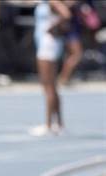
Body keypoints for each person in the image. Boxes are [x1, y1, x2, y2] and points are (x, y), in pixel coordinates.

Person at [32, 0, 77, 136]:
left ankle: (48, 125)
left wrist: (52, 26)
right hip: (48, 45)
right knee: (52, 87)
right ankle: (59, 124)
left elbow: (66, 14)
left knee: (48, 86)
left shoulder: (53, 1)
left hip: (47, 46)